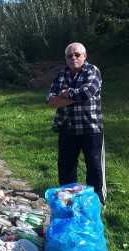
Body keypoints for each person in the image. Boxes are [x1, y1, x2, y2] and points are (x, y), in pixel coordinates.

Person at [46, 42, 106, 205]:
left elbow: (87, 92)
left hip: (90, 127)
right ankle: (67, 200)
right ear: (65, 58)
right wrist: (76, 95)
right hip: (67, 127)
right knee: (66, 166)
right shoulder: (61, 74)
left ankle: (97, 201)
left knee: (94, 166)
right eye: (69, 56)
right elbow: (50, 101)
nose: (73, 58)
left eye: (77, 54)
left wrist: (64, 94)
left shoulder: (92, 70)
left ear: (84, 56)